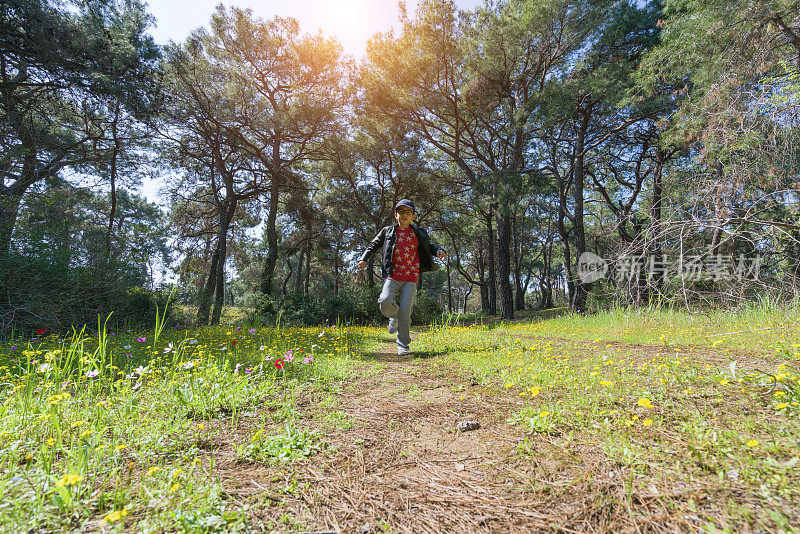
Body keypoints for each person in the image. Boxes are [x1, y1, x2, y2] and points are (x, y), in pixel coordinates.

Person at [357, 199, 446, 355]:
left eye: (408, 212)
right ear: (396, 214)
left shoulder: (419, 233)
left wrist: (438, 250)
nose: (404, 215)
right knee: (385, 302)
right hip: (393, 275)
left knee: (405, 309)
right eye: (401, 212)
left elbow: (429, 247)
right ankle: (396, 318)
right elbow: (373, 245)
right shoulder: (388, 231)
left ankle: (403, 346)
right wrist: (363, 258)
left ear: (413, 216)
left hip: (411, 277)